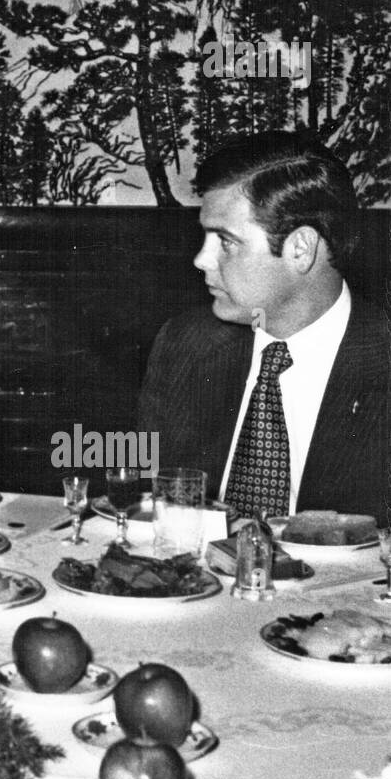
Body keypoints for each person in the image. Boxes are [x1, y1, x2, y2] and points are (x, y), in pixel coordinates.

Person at [138, 130, 389, 524]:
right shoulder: (186, 343)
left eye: (226, 241)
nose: (201, 259)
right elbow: (153, 500)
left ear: (300, 249)